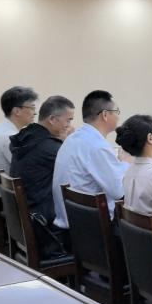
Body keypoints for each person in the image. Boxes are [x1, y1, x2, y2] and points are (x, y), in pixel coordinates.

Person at [51, 90, 129, 228]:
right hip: (92, 230)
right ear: (105, 115)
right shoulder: (97, 146)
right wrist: (126, 163)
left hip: (70, 226)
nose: (118, 117)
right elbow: (119, 192)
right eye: (116, 111)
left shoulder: (72, 139)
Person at [9, 95, 75, 256]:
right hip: (45, 227)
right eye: (68, 120)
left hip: (28, 217)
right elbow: (79, 172)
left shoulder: (27, 137)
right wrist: (68, 143)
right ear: (52, 119)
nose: (69, 126)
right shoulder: (49, 147)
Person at [0, 86, 39, 182]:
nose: (35, 113)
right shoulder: (10, 137)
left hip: (0, 187)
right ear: (17, 111)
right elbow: (29, 172)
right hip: (6, 190)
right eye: (32, 108)